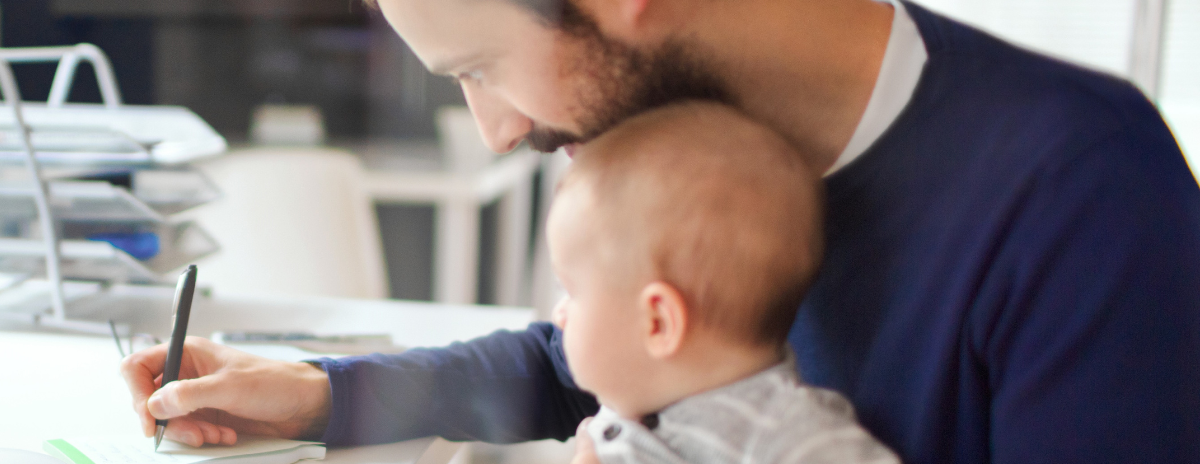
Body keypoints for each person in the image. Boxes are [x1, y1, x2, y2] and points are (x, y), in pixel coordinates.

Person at [121, 0, 1200, 462]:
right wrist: (314, 391)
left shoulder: (1083, 194)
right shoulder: (711, 154)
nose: (494, 132)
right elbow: (585, 362)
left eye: (481, 69)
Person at [544, 102, 894, 463]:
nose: (559, 314)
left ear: (658, 322)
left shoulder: (792, 440)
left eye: (571, 291)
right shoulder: (628, 408)